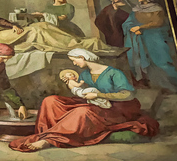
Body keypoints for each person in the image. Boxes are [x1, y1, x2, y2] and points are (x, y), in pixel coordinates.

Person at [10, 48, 159, 152]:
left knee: (82, 112)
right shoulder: (85, 75)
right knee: (51, 101)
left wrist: (99, 95)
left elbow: (128, 95)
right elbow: (80, 93)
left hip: (117, 109)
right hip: (92, 103)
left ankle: (48, 140)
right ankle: (48, 132)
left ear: (83, 57)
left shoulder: (114, 73)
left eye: (75, 61)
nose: (74, 64)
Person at [122, 0, 177, 92]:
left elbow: (158, 22)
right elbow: (128, 23)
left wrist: (140, 27)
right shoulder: (137, 10)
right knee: (148, 63)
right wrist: (132, 28)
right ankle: (162, 86)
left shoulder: (156, 9)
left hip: (155, 37)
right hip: (140, 40)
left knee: (161, 62)